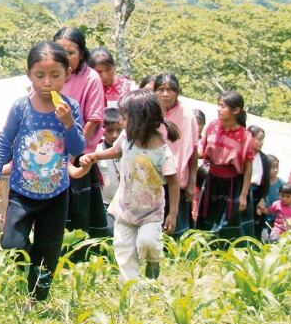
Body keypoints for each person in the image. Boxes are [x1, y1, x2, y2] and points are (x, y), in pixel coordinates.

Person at [0, 41, 85, 300]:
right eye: (39, 76)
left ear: (67, 74)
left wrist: (68, 123)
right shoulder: (22, 106)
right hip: (22, 192)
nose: (47, 83)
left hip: (56, 194)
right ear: (29, 75)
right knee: (12, 245)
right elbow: (5, 140)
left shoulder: (70, 108)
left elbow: (77, 147)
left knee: (49, 248)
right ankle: (26, 274)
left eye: (55, 75)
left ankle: (38, 297)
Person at [85, 89, 179, 282]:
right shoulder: (126, 138)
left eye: (125, 117)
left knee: (148, 242)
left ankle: (153, 261)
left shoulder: (162, 150)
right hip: (125, 207)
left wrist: (173, 213)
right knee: (124, 248)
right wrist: (95, 156)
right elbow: (115, 151)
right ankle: (132, 288)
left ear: (141, 119)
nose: (121, 122)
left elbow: (173, 182)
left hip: (151, 211)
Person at [53, 27, 107, 242]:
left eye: (71, 52)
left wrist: (73, 154)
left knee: (80, 214)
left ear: (82, 54)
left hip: (79, 156)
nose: (65, 57)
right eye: (60, 50)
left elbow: (92, 120)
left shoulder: (91, 78)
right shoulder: (51, 73)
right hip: (50, 153)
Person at [195, 91, 255, 240]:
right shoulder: (212, 126)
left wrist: (243, 195)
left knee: (226, 227)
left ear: (235, 110)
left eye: (222, 106)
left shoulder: (245, 136)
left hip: (233, 184)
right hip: (211, 180)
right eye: (219, 105)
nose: (218, 109)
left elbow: (248, 167)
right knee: (206, 221)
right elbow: (201, 152)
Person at [152, 72, 198, 234]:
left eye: (170, 90)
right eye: (161, 89)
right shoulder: (148, 112)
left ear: (178, 92)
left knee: (175, 230)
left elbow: (193, 150)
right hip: (151, 182)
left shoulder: (186, 115)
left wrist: (192, 182)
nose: (165, 94)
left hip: (177, 181)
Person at [69, 106, 121, 230]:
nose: (115, 135)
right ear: (103, 131)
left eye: (119, 130)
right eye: (110, 131)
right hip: (104, 204)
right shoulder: (95, 152)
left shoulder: (129, 150)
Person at [247, 126, 272, 239]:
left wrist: (262, 200)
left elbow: (266, 183)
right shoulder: (241, 155)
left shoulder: (265, 159)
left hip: (256, 196)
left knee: (254, 227)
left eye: (263, 139)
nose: (261, 143)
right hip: (242, 192)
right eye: (259, 139)